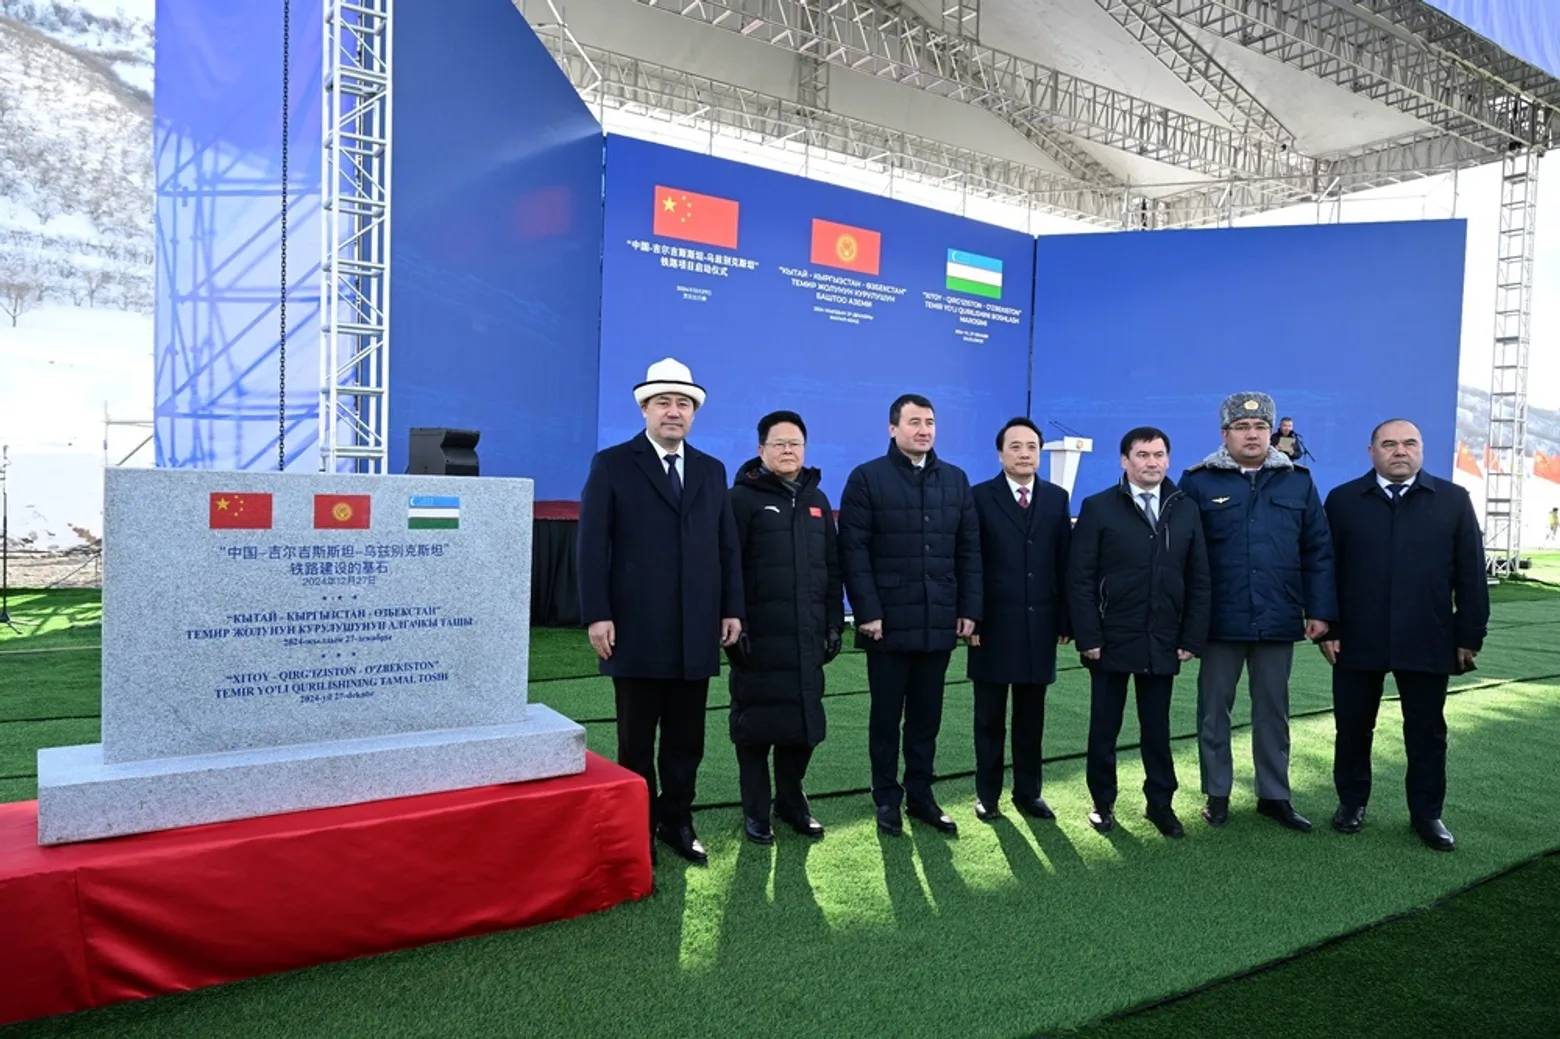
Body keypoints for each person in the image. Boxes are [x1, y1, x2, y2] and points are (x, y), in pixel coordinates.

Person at [577, 357, 744, 866]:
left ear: (694, 413)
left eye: (683, 404)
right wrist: (597, 613)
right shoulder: (612, 464)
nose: (674, 411)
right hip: (635, 629)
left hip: (696, 629)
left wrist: (731, 608)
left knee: (686, 739)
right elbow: (591, 545)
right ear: (645, 409)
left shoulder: (712, 470)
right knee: (635, 739)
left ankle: (678, 820)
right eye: (663, 402)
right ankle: (638, 826)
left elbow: (727, 547)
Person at [1320, 418, 1489, 851]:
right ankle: (1351, 803)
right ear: (1371, 451)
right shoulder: (1342, 500)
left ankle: (1427, 814)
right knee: (1353, 727)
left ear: (1421, 449)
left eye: (1409, 443)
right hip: (1357, 638)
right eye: (1389, 444)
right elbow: (1326, 569)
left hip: (1429, 635)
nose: (1400, 451)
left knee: (1427, 731)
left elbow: (1471, 573)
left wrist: (1469, 634)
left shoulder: (1453, 500)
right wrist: (1328, 628)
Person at [1179, 392, 1336, 832]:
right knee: (1214, 710)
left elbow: (1318, 551)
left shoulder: (1298, 482)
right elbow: (1181, 555)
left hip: (1278, 615)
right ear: (1224, 434)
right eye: (1242, 427)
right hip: (1218, 619)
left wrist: (1320, 611)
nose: (1252, 434)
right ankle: (1217, 794)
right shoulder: (1197, 482)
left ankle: (1275, 795)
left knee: (1274, 711)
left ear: (1273, 433)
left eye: (1260, 427)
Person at [839, 393, 981, 837]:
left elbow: (968, 550)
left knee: (926, 719)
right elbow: (853, 551)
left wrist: (968, 609)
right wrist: (867, 611)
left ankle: (921, 795)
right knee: (886, 718)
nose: (923, 430)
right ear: (892, 428)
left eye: (930, 422)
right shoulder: (867, 478)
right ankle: (886, 797)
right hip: (886, 625)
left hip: (938, 622)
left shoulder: (955, 480)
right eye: (914, 422)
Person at [1069, 427, 1211, 837]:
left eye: (1159, 454)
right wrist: (1089, 637)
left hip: (1162, 638)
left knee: (1157, 729)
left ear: (1168, 459)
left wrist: (1190, 637)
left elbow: (1199, 578)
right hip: (1110, 639)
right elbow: (1079, 578)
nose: (1152, 462)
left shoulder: (1185, 508)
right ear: (1124, 460)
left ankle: (1160, 805)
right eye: (1143, 455)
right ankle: (1102, 804)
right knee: (1104, 729)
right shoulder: (1098, 507)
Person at [725, 410, 844, 844]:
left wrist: (834, 623)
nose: (788, 450)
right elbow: (728, 568)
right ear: (761, 450)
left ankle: (791, 802)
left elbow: (832, 567)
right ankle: (756, 810)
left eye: (795, 444)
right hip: (757, 639)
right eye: (779, 444)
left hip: (807, 638)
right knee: (754, 729)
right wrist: (734, 623)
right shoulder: (740, 500)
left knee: (803, 727)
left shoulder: (817, 501)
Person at [966, 416, 1071, 822]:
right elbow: (970, 561)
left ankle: (1028, 793)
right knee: (989, 719)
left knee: (1031, 719)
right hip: (991, 628)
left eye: (1032, 447)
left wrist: (1065, 620)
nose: (1024, 454)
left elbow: (1064, 562)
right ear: (1000, 453)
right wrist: (972, 617)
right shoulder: (978, 497)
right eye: (1015, 446)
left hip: (1039, 626)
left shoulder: (1057, 498)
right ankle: (987, 795)